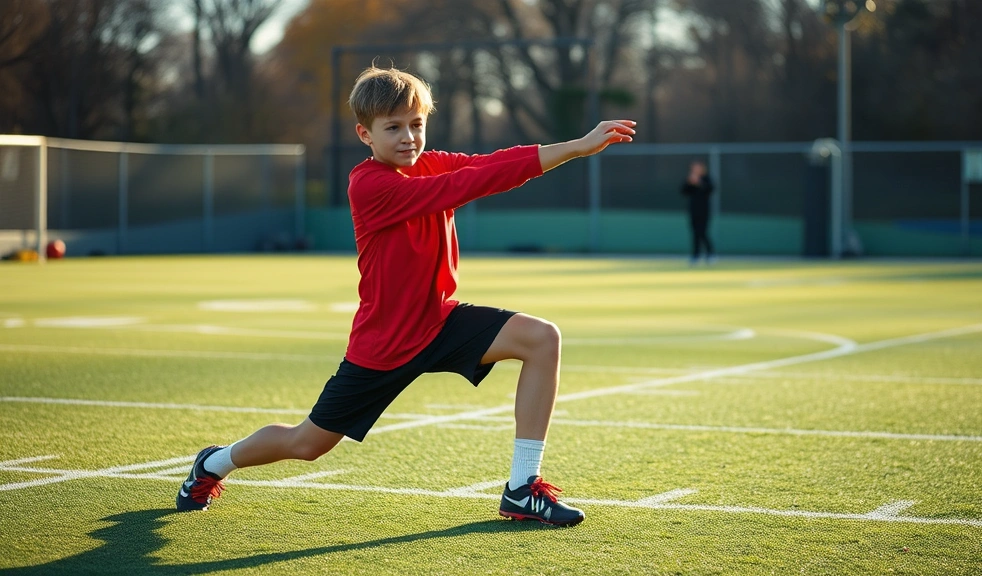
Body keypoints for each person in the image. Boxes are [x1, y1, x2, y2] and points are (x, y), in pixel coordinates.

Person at [175, 66, 636, 527]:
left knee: (542, 338)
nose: (408, 137)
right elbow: (465, 185)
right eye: (393, 127)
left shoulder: (431, 162)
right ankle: (214, 463)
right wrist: (575, 149)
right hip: (385, 345)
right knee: (306, 444)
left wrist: (576, 145)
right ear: (365, 133)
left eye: (416, 124)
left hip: (439, 321)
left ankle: (521, 489)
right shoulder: (369, 184)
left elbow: (495, 163)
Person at [681, 160, 715, 265]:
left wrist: (699, 183)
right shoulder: (690, 179)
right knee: (695, 233)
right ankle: (695, 256)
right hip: (693, 211)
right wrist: (690, 183)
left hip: (704, 211)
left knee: (702, 232)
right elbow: (683, 191)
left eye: (697, 167)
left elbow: (710, 189)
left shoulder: (706, 179)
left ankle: (710, 254)